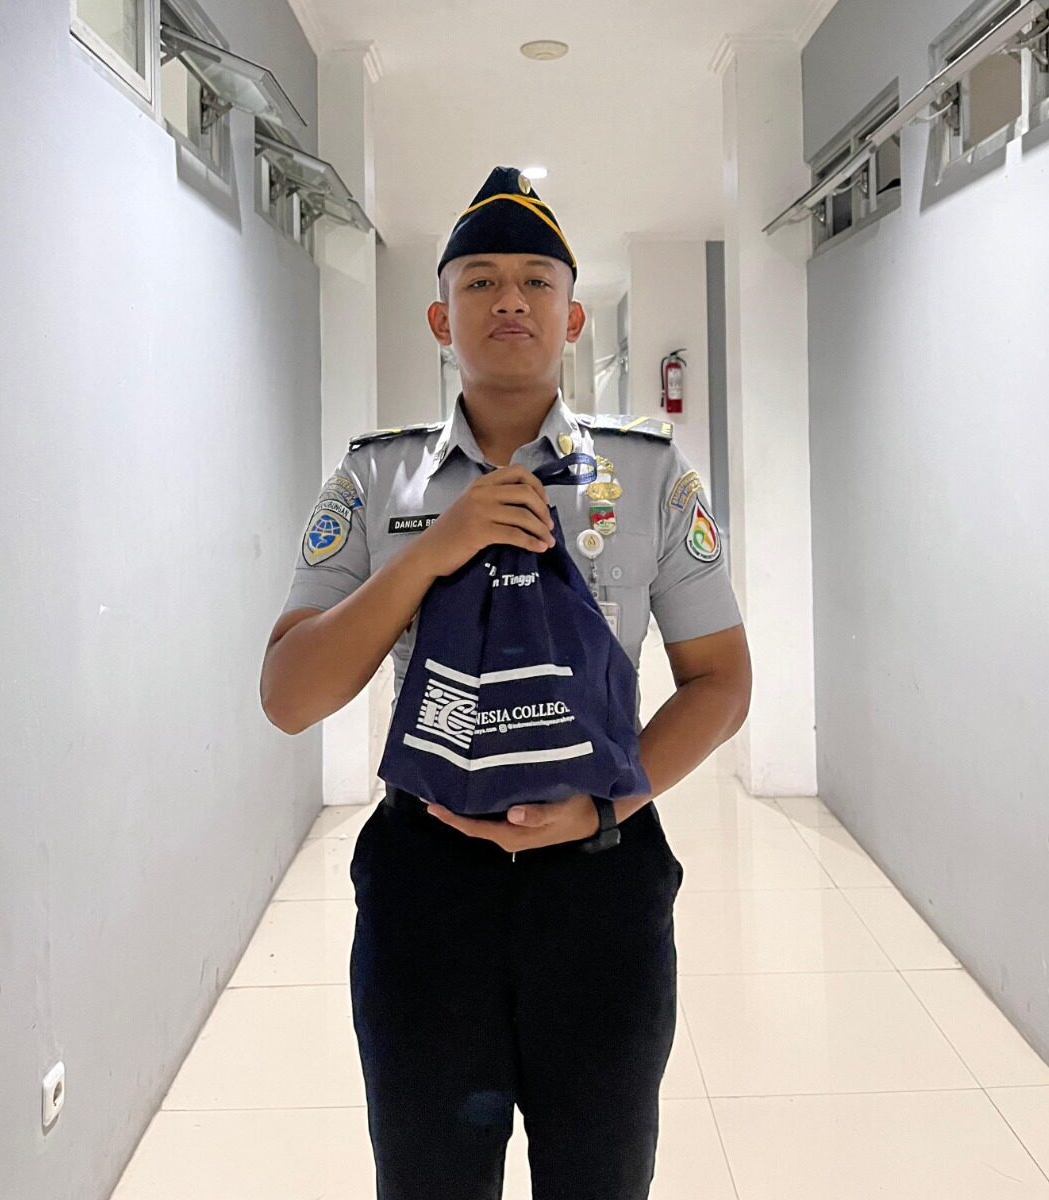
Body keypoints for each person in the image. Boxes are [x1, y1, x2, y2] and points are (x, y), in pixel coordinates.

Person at [260, 166, 752, 1200]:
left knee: (600, 1175)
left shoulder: (650, 476)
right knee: (429, 1177)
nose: (510, 299)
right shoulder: (373, 481)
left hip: (602, 885)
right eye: (480, 280)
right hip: (428, 888)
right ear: (441, 318)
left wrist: (606, 806)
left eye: (536, 280)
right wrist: (430, 554)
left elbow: (721, 682)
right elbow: (290, 697)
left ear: (573, 317)